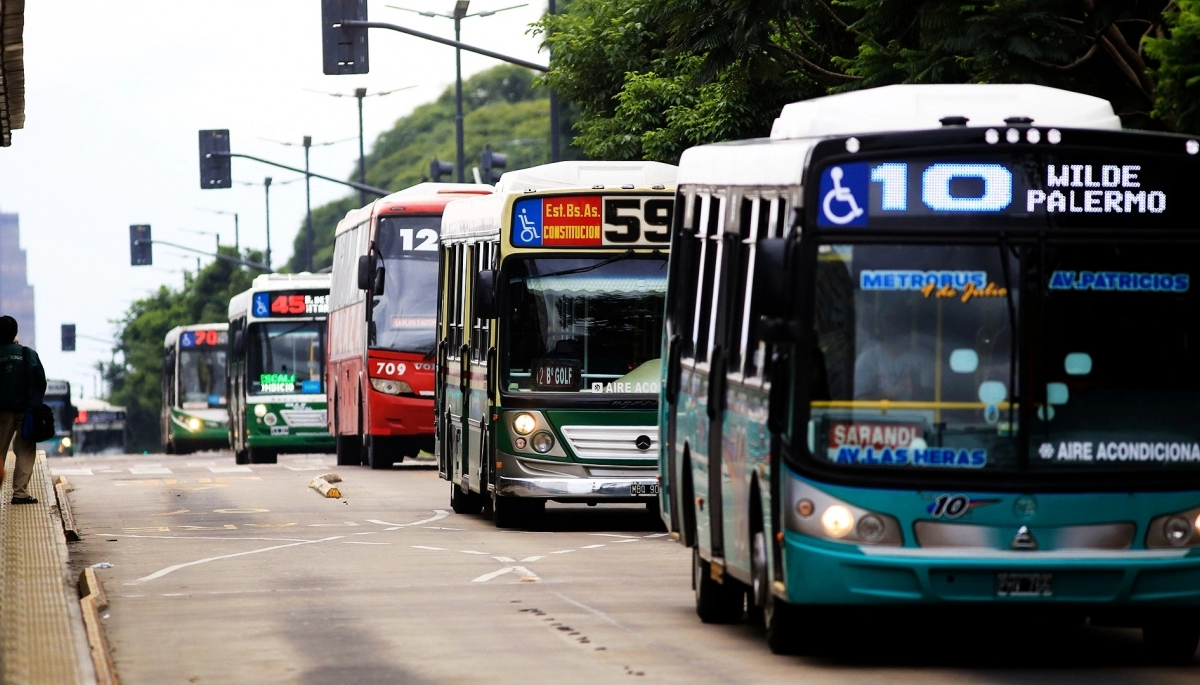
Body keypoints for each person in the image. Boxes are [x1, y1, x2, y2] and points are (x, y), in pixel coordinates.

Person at [0, 316, 47, 504]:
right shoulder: (28, 354)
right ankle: (20, 493)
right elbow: (41, 381)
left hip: (1, 412)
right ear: (15, 333)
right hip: (25, 412)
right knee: (25, 450)